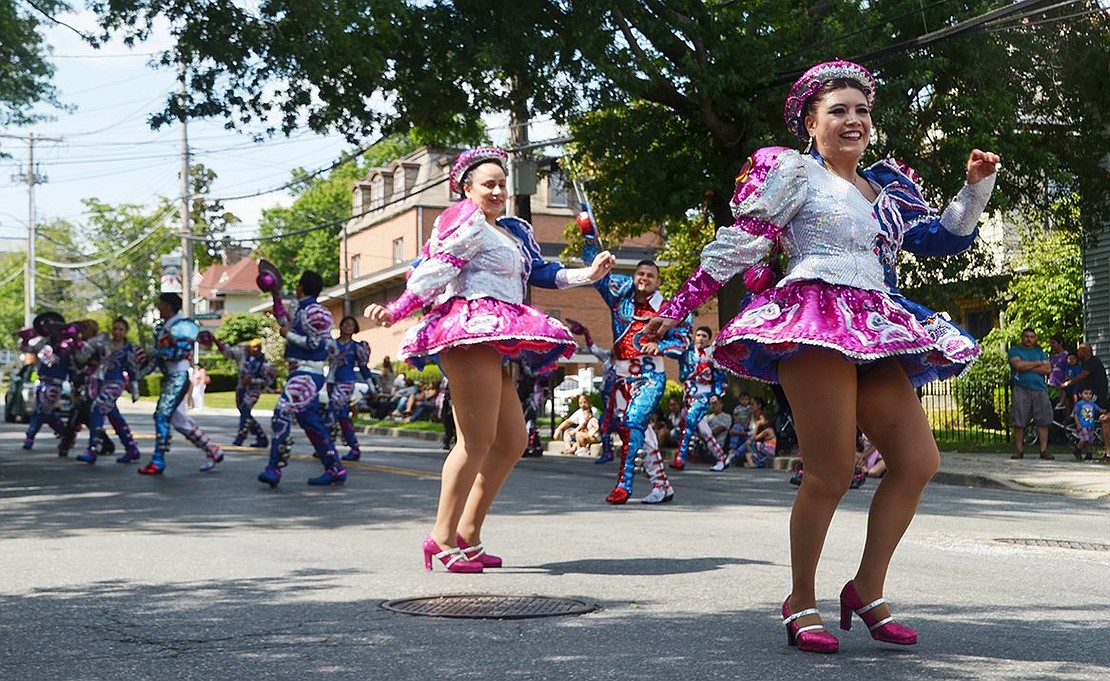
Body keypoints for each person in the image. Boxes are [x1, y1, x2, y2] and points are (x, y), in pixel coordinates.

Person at [643, 60, 999, 653]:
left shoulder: (885, 188)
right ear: (811, 122)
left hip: (875, 321)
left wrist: (976, 185)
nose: (854, 120)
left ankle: (866, 589)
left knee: (917, 460)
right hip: (812, 320)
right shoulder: (795, 174)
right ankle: (800, 599)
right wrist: (680, 306)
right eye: (839, 110)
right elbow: (743, 242)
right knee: (831, 472)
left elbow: (943, 237)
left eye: (862, 110)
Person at [363, 147, 615, 572]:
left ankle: (468, 533)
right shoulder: (464, 222)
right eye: (489, 184)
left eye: (502, 184)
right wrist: (398, 308)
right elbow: (437, 268)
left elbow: (539, 272)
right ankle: (440, 537)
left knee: (512, 442)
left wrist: (587, 275)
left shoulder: (512, 231)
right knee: (475, 442)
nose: (498, 190)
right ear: (466, 188)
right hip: (467, 331)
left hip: (496, 335)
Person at [583, 222, 692, 503]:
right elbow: (594, 272)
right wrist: (589, 239)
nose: (644, 278)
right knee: (639, 434)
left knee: (633, 424)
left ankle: (624, 484)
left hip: (649, 376)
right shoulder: (620, 301)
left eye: (650, 275)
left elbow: (683, 341)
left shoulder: (669, 309)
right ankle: (661, 485)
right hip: (622, 378)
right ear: (634, 277)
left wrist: (662, 344)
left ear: (657, 281)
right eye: (640, 274)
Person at [257, 270, 348, 487]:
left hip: (307, 372)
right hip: (302, 372)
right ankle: (335, 468)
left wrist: (288, 334)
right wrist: (276, 295)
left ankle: (274, 468)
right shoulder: (303, 310)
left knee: (282, 413)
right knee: (311, 422)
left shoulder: (317, 312)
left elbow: (317, 344)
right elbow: (282, 319)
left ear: (301, 287)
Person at [134, 293, 223, 474]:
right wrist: (138, 375)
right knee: (179, 419)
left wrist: (155, 353)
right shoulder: (166, 327)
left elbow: (177, 353)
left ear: (168, 306)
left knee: (161, 415)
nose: (159, 309)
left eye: (161, 305)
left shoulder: (183, 326)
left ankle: (158, 460)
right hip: (172, 376)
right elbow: (157, 359)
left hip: (178, 376)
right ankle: (212, 450)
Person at [77, 318, 143, 464]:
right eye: (115, 329)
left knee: (97, 409)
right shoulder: (104, 343)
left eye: (120, 329)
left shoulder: (128, 348)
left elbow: (133, 370)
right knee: (113, 416)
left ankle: (93, 448)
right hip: (100, 382)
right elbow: (87, 353)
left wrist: (135, 389)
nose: (117, 332)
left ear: (126, 332)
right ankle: (131, 449)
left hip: (115, 383)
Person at [672, 326, 730, 471]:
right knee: (704, 431)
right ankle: (722, 458)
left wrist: (716, 394)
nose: (700, 338)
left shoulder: (713, 356)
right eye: (698, 335)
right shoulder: (688, 353)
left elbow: (721, 377)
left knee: (689, 422)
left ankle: (680, 458)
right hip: (689, 395)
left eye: (704, 336)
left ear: (709, 339)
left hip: (703, 395)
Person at [205, 336, 275, 448]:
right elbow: (227, 352)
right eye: (252, 347)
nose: (254, 349)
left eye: (257, 347)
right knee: (243, 412)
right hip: (241, 388)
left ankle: (240, 437)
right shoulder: (243, 356)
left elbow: (268, 381)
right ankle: (261, 437)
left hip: (254, 390)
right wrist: (214, 340)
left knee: (246, 409)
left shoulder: (265, 364)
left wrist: (252, 380)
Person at [566, 319, 618, 464]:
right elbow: (593, 349)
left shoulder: (627, 362)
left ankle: (633, 455)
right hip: (607, 397)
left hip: (620, 398)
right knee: (604, 424)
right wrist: (587, 334)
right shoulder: (607, 356)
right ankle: (607, 452)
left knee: (624, 426)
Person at [17, 313, 69, 450]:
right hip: (41, 383)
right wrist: (24, 338)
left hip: (55, 384)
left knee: (42, 411)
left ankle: (30, 436)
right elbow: (26, 349)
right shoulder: (43, 343)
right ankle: (62, 430)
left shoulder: (67, 345)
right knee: (43, 411)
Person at [325, 316, 373, 461]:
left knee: (331, 412)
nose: (348, 326)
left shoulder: (357, 347)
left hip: (346, 383)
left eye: (352, 324)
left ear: (355, 328)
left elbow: (364, 368)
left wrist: (372, 386)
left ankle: (328, 448)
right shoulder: (331, 344)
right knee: (342, 415)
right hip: (332, 382)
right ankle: (351, 448)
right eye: (346, 323)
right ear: (340, 325)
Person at [1008, 328, 1053, 460]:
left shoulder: (1040, 352)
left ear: (1035, 338)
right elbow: (1019, 366)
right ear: (1022, 337)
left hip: (1040, 389)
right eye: (1026, 336)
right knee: (1019, 419)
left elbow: (1048, 369)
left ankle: (1044, 450)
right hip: (1021, 388)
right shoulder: (1015, 351)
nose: (1029, 339)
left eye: (1032, 337)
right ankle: (1019, 450)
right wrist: (1039, 364)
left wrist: (1028, 366)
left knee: (1043, 420)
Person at [1071, 387, 1102, 461]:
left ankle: (1089, 454)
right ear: (1080, 395)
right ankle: (1077, 449)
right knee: (1084, 439)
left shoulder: (1092, 404)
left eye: (1090, 394)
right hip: (1083, 425)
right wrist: (1077, 424)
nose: (1088, 395)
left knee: (1090, 441)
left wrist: (1104, 411)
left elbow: (1099, 410)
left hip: (1090, 425)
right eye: (1086, 393)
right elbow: (1075, 414)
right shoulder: (1079, 404)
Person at [703, 394, 733, 471]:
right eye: (711, 403)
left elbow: (716, 432)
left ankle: (722, 459)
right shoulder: (707, 417)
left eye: (715, 403)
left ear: (721, 404)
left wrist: (705, 431)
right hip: (704, 444)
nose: (713, 405)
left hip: (719, 446)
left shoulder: (727, 417)